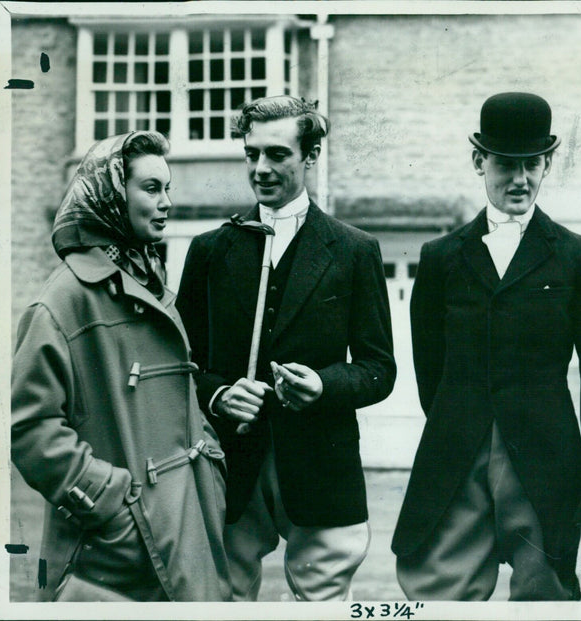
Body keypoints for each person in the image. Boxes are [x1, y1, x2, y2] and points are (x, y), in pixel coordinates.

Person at [391, 92, 581, 600]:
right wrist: (464, 422)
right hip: (456, 456)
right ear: (479, 161)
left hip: (546, 461)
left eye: (532, 164)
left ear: (547, 164)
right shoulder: (440, 258)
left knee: (545, 598)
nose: (520, 179)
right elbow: (431, 372)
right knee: (438, 593)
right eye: (506, 164)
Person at [175, 95, 396, 602]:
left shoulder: (354, 250)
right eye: (251, 154)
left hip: (322, 469)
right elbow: (181, 365)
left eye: (277, 154)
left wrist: (324, 384)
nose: (261, 168)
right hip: (229, 470)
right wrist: (217, 396)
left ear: (311, 156)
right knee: (219, 600)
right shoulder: (210, 250)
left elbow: (379, 369)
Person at [11, 131, 232, 601]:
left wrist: (210, 468)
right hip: (117, 551)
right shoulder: (62, 302)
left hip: (187, 523)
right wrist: (112, 502)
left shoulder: (151, 284)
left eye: (167, 188)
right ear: (111, 193)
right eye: (151, 188)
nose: (167, 202)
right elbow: (29, 431)